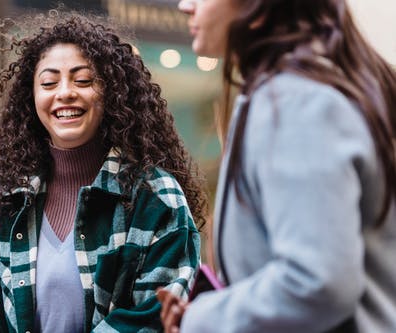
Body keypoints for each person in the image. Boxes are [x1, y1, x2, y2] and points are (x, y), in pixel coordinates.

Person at [0, 10, 207, 333]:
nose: (65, 92)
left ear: (112, 93)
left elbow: (154, 317)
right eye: (49, 82)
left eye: (83, 80)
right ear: (32, 97)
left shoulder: (155, 197)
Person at [157, 0, 396, 332]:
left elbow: (318, 282)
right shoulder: (296, 92)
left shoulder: (295, 101)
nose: (185, 5)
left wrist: (202, 319)